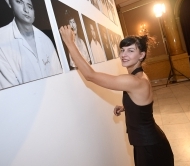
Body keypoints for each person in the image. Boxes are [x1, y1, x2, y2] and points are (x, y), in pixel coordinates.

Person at [59, 25, 174, 166]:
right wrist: (127, 107)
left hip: (150, 148)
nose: (124, 54)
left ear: (141, 55)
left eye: (130, 51)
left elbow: (90, 75)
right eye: (122, 50)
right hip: (150, 142)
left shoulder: (132, 80)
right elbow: (143, 102)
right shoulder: (140, 76)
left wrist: (70, 42)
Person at [0, 0, 62, 90]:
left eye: (30, 6)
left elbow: (59, 77)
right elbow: (9, 92)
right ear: (8, 1)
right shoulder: (1, 39)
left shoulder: (46, 40)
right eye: (19, 2)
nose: (26, 10)